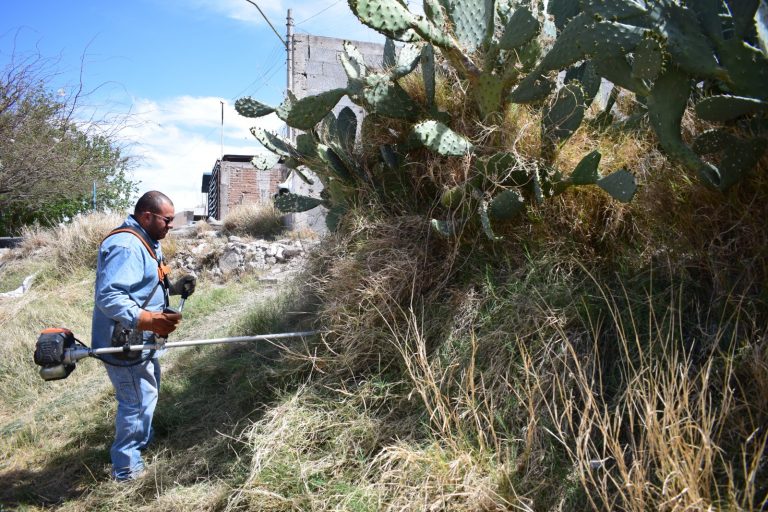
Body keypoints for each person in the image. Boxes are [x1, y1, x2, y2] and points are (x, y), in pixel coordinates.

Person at [91, 191, 196, 481]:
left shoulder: (146, 241)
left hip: (140, 340)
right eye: (167, 220)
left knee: (145, 395)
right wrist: (150, 320)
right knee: (136, 402)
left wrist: (174, 288)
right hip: (124, 342)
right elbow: (110, 296)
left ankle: (140, 445)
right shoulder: (127, 244)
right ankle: (126, 470)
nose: (170, 225)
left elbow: (138, 288)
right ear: (147, 216)